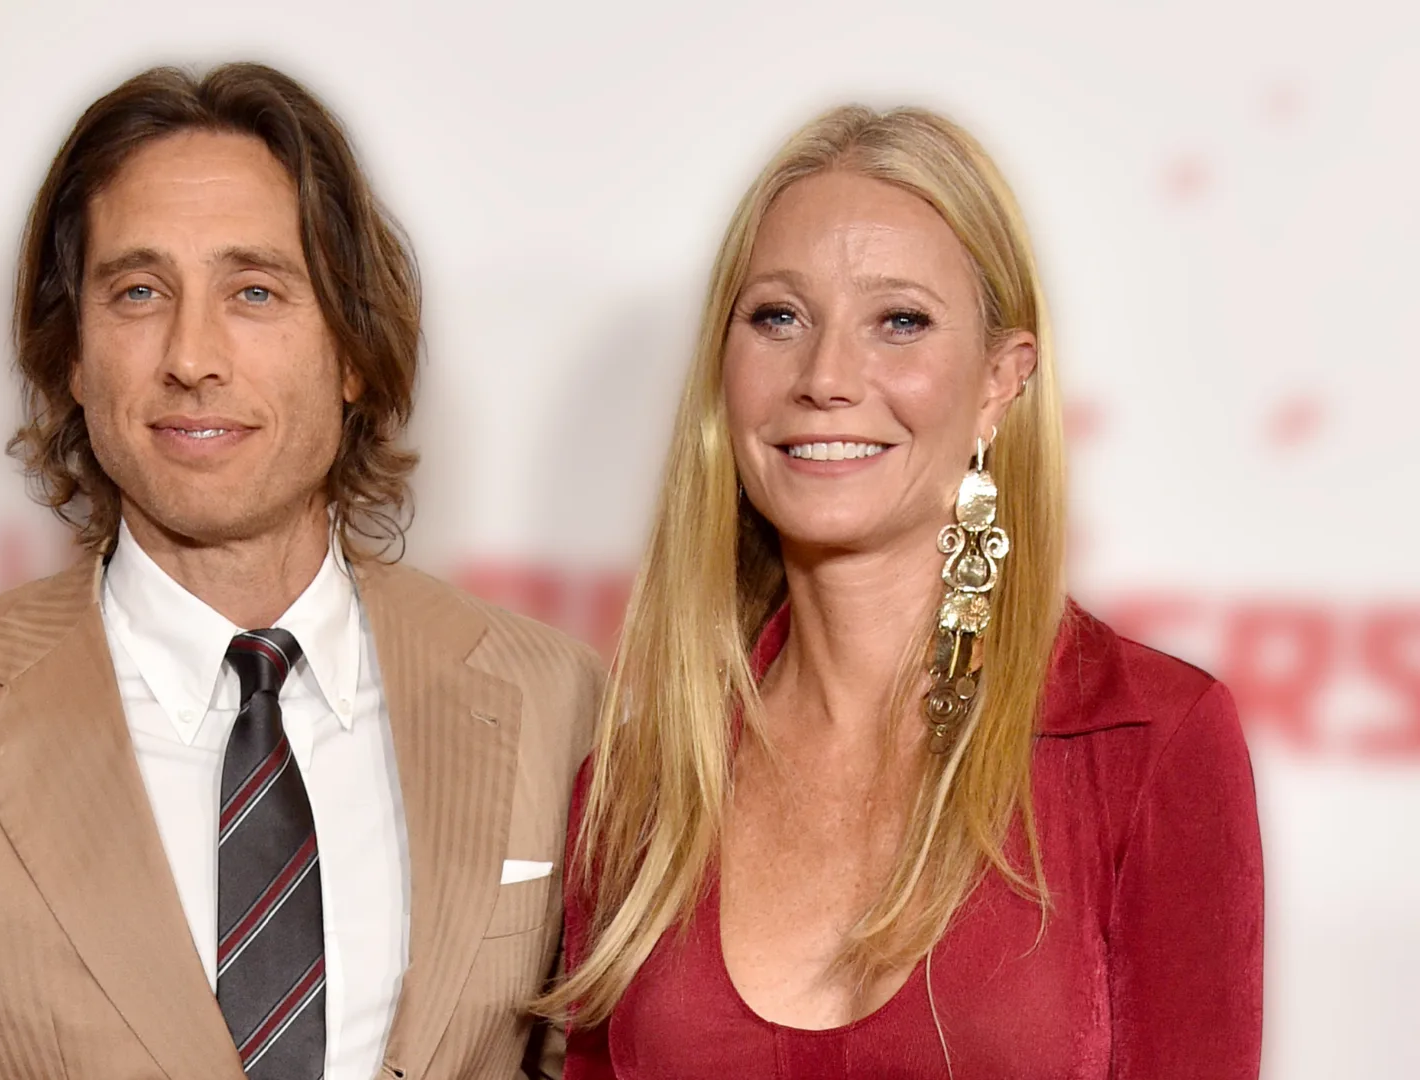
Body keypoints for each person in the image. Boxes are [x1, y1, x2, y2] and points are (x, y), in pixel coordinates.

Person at [0, 62, 602, 1080]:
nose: (192, 355)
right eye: (139, 292)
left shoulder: (557, 707)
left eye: (255, 290)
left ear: (353, 349)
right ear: (75, 358)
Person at [540, 105, 1262, 1078]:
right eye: (778, 318)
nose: (827, 376)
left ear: (1000, 383)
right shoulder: (641, 786)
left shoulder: (1143, 742)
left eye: (901, 321)